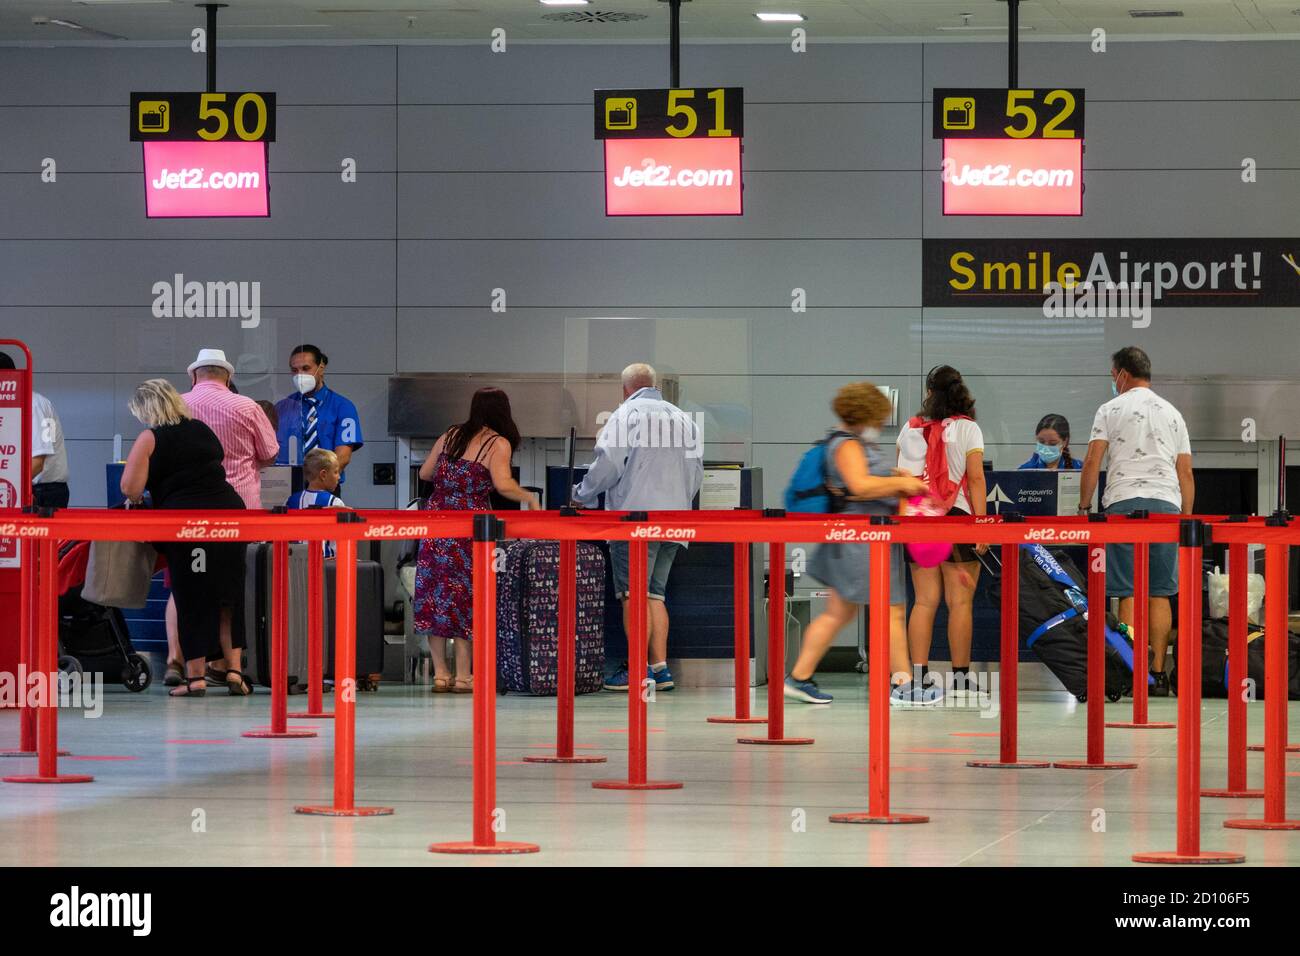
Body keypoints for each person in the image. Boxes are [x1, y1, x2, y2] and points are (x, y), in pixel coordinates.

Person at [786, 383, 930, 705]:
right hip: (862, 541)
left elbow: (862, 481)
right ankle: (903, 685)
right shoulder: (848, 445)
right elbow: (860, 486)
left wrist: (894, 476)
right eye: (879, 416)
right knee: (891, 609)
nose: (881, 423)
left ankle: (799, 677)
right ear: (867, 414)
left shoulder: (848, 443)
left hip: (855, 540)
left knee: (838, 613)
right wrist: (902, 482)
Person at [572, 363, 704, 694]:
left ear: (625, 389)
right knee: (654, 594)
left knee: (632, 593)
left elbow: (608, 465)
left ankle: (637, 669)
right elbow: (697, 472)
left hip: (635, 521)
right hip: (676, 521)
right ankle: (661, 670)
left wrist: (581, 495)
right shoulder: (684, 418)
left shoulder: (626, 414)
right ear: (654, 385)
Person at [119, 380, 250, 698]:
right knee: (228, 597)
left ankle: (196, 678)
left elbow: (130, 489)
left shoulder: (151, 437)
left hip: (188, 524)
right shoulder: (202, 429)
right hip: (231, 517)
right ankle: (234, 672)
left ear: (146, 409)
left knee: (192, 595)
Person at [1078, 346, 1193, 696]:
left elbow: (1092, 461)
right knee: (1159, 592)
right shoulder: (1173, 413)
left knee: (1126, 590)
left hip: (1123, 504)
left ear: (1123, 374)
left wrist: (1084, 506)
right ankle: (1158, 675)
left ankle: (1132, 671)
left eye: (1113, 375)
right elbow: (1185, 472)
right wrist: (1185, 519)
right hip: (1165, 505)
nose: (1113, 381)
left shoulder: (1109, 409)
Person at [413, 387, 539, 693]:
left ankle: (441, 674)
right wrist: (529, 498)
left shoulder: (451, 434)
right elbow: (503, 484)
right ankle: (464, 675)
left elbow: (426, 473)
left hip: (437, 522)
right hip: (472, 527)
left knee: (435, 597)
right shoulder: (498, 442)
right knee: (468, 597)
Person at [172, 348, 278, 687]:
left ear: (193, 376)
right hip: (239, 507)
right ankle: (232, 667)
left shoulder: (176, 405)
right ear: (228, 377)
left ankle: (182, 664)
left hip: (186, 509)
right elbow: (270, 452)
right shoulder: (246, 407)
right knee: (230, 590)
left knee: (186, 588)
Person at [896, 365, 988, 702]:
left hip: (919, 519)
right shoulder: (968, 429)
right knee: (960, 601)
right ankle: (961, 680)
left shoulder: (910, 427)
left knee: (923, 601)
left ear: (929, 392)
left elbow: (901, 477)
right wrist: (982, 524)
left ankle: (919, 678)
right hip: (958, 516)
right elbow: (976, 479)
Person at [274, 344, 363, 487]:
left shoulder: (343, 407)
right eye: (294, 370)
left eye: (306, 368)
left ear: (321, 368)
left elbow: (343, 457)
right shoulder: (281, 408)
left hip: (324, 487)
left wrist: (315, 485)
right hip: (287, 486)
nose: (300, 375)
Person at [0, 353, 70, 508]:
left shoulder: (33, 405)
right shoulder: (11, 406)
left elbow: (37, 462)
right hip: (27, 487)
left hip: (44, 492)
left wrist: (12, 486)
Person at [286, 448, 347, 557]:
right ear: (323, 474)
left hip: (293, 564)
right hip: (327, 564)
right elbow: (340, 542)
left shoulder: (291, 500)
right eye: (336, 472)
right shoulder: (335, 503)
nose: (339, 477)